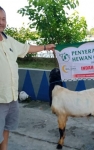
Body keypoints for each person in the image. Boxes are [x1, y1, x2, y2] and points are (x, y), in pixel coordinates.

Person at [0, 6, 55, 150]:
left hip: (11, 97)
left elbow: (26, 48)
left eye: (3, 19)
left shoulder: (9, 40)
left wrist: (45, 47)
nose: (1, 22)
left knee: (7, 129)